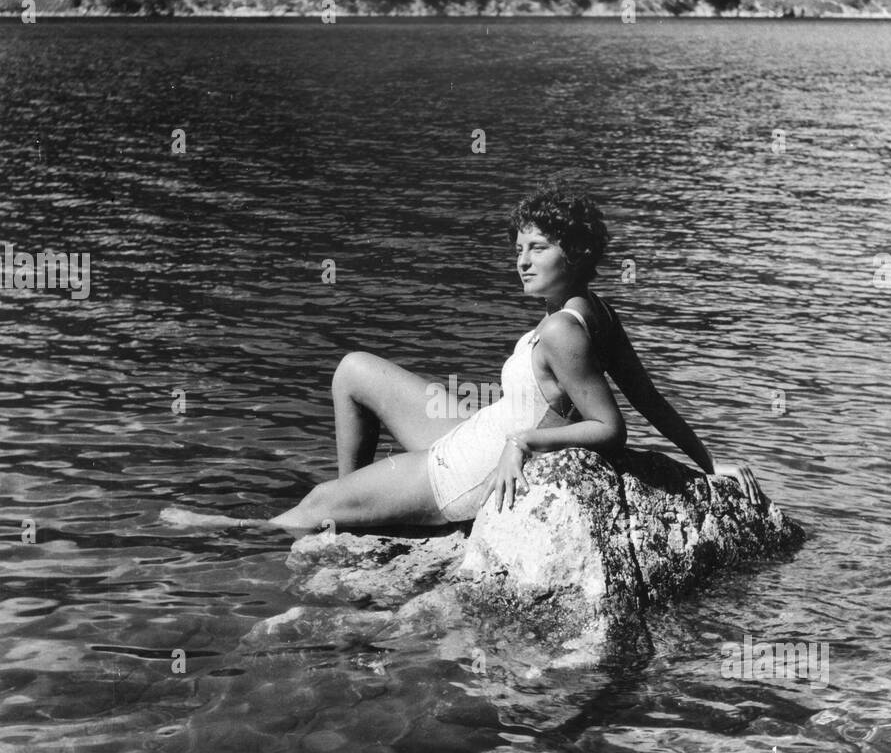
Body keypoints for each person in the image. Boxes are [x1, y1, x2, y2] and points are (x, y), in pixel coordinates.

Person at [162, 181, 760, 536]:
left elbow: (613, 426)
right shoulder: (594, 309)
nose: (522, 261)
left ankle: (259, 527)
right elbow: (651, 396)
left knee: (310, 505)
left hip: (465, 472)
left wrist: (525, 442)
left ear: (575, 251)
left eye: (539, 248)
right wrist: (709, 462)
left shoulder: (563, 330)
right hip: (475, 431)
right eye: (518, 248)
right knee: (352, 370)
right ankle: (363, 506)